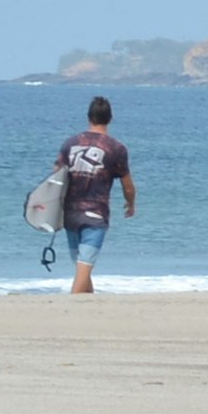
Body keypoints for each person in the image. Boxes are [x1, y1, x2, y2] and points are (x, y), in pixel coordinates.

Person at [56, 95, 136, 294]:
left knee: (83, 267)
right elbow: (127, 185)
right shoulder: (116, 148)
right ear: (110, 118)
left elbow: (55, 179)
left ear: (88, 117)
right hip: (95, 215)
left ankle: (89, 308)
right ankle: (69, 313)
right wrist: (130, 203)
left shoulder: (70, 144)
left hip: (71, 214)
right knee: (83, 270)